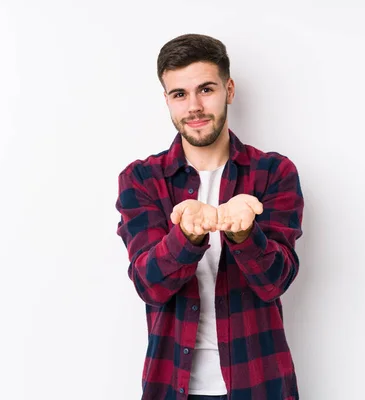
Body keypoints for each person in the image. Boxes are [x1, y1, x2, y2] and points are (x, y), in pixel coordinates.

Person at [115, 33, 304, 400]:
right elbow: (148, 285)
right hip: (171, 385)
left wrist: (243, 234)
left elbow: (275, 282)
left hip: (260, 384)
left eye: (206, 89)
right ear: (167, 100)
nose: (194, 107)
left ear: (229, 90)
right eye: (180, 94)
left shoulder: (274, 173)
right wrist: (187, 237)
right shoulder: (142, 180)